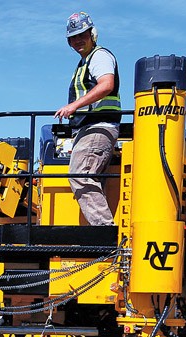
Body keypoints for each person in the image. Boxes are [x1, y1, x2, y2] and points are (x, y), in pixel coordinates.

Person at [53, 11, 121, 226]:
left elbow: (106, 84)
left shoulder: (99, 57)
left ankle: (105, 230)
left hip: (98, 127)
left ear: (93, 34)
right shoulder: (84, 62)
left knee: (79, 174)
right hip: (88, 129)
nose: (77, 40)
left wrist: (74, 105)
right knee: (90, 177)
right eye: (73, 37)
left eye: (82, 34)